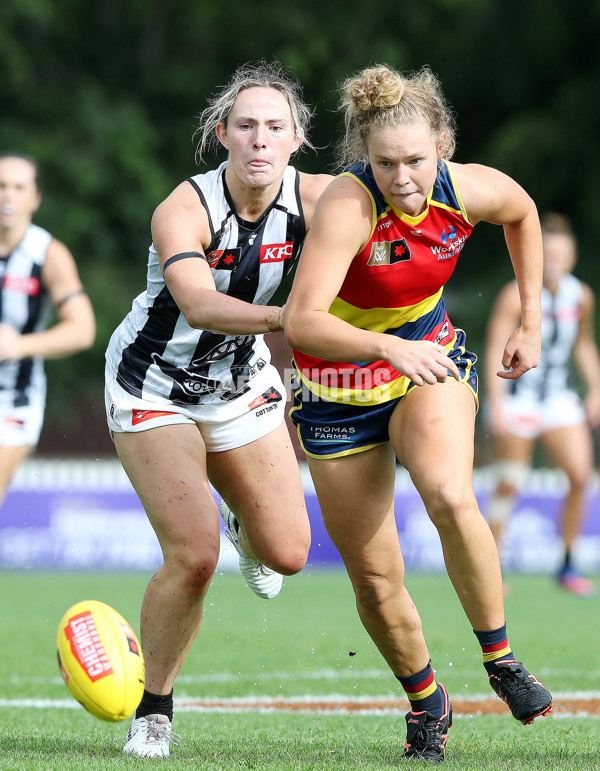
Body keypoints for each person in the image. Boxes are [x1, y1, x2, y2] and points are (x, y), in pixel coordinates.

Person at [284, 64, 552, 763]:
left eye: (416, 161)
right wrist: (381, 347)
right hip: (335, 386)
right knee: (375, 578)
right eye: (385, 163)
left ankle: (502, 660)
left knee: (446, 488)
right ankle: (427, 701)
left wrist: (532, 319)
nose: (403, 178)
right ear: (363, 159)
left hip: (424, 363)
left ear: (443, 143)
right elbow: (302, 320)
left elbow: (522, 211)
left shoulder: (467, 188)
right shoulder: (350, 205)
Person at [104, 61, 331, 758]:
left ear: (298, 138)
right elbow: (200, 305)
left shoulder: (323, 199)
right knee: (194, 556)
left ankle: (238, 516)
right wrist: (296, 319)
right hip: (154, 383)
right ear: (220, 134)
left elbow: (397, 235)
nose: (260, 140)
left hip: (240, 386)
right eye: (246, 126)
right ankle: (154, 712)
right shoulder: (185, 207)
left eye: (275, 127)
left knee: (289, 554)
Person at [484, 212, 600, 596]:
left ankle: (567, 564)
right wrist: (495, 403)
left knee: (581, 475)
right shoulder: (511, 294)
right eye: (548, 252)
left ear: (572, 257)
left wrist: (596, 387)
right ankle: (492, 567)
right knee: (510, 482)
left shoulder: (580, 294)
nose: (555, 260)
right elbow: (492, 347)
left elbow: (582, 342)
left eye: (562, 254)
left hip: (557, 397)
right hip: (519, 397)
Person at [0, 153, 95, 503]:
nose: (7, 196)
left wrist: (21, 346)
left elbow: (82, 330)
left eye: (18, 187)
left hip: (14, 397)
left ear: (34, 198)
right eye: (1, 186)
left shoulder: (48, 254)